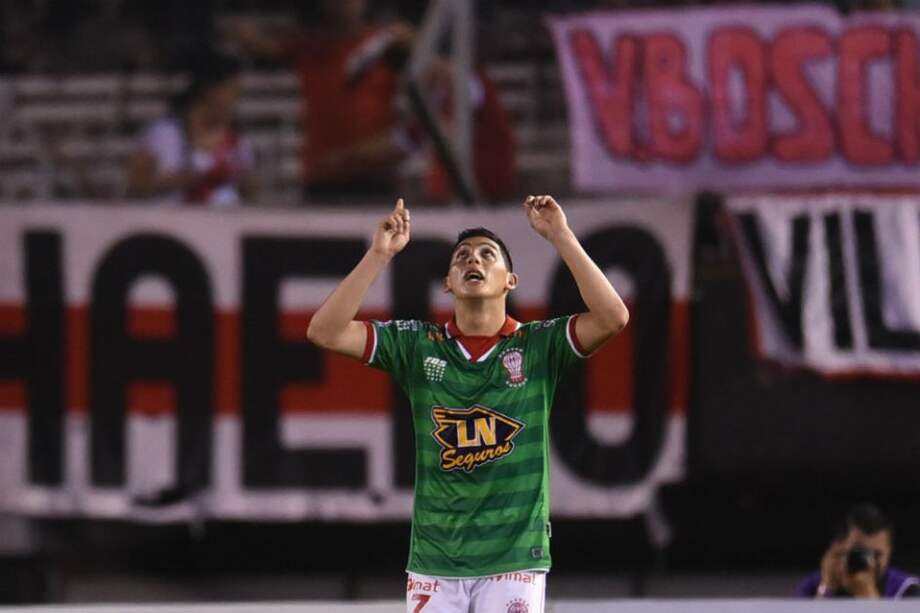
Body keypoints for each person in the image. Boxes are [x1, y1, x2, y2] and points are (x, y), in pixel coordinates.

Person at [307, 195, 629, 612]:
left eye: (486, 254)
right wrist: (378, 255)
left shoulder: (537, 346)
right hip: (435, 564)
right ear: (448, 283)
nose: (471, 260)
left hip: (513, 562)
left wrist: (561, 235)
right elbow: (325, 331)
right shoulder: (417, 346)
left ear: (509, 281)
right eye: (460, 256)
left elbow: (613, 317)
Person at [227, 0, 414, 202]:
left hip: (374, 174)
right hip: (324, 176)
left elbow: (431, 68)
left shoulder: (384, 45)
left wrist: (412, 40)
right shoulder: (308, 48)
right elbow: (253, 41)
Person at [126, 53, 258, 207]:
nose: (234, 102)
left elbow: (251, 189)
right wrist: (191, 179)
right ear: (210, 91)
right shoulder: (162, 133)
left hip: (222, 226)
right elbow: (136, 186)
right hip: (171, 222)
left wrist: (240, 179)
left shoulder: (237, 141)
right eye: (232, 93)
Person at [799, 504, 919, 599]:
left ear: (889, 551)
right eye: (860, 552)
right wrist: (827, 587)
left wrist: (868, 595)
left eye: (877, 554)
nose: (869, 561)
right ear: (838, 549)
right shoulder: (814, 586)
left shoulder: (907, 589)